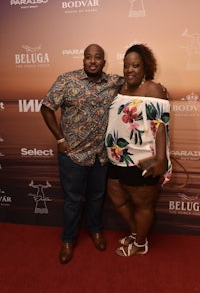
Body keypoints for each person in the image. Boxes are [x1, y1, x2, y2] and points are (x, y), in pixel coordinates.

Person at [40, 44, 123, 264]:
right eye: (88, 57)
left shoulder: (114, 82)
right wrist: (60, 139)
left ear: (104, 62)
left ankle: (95, 231)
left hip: (100, 156)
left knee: (97, 198)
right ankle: (68, 240)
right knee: (73, 201)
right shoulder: (67, 81)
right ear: (83, 60)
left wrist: (156, 89)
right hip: (73, 155)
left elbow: (136, 86)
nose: (93, 61)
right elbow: (46, 107)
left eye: (97, 58)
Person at [105, 44, 171, 257]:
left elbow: (160, 125)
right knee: (117, 198)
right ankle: (136, 233)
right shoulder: (121, 88)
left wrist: (160, 159)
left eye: (135, 65)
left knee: (142, 205)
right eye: (126, 65)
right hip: (117, 157)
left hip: (142, 157)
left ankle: (140, 244)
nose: (129, 70)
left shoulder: (153, 89)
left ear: (145, 67)